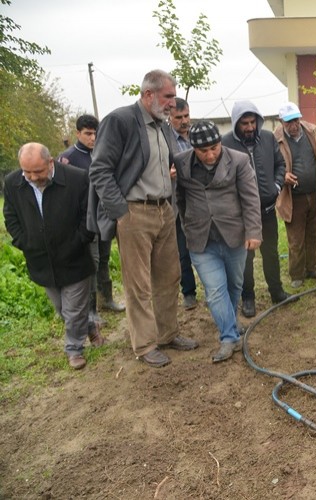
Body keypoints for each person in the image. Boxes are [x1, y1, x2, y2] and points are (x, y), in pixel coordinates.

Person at [88, 69, 198, 369]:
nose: (172, 104)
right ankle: (145, 344)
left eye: (173, 97)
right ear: (148, 94)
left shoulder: (162, 126)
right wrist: (121, 212)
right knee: (139, 284)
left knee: (169, 276)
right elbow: (99, 170)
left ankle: (167, 333)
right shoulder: (120, 121)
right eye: (168, 97)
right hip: (134, 212)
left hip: (164, 210)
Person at [4, 143, 106, 370]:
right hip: (41, 260)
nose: (31, 177)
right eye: (26, 172)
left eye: (37, 171)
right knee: (62, 308)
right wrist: (25, 242)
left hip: (75, 257)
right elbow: (10, 217)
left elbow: (89, 215)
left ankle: (74, 349)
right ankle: (90, 327)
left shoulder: (77, 179)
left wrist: (80, 240)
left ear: (50, 163)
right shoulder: (13, 183)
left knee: (72, 310)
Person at [175, 121, 262, 363]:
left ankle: (230, 324)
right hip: (201, 239)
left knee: (234, 285)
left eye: (214, 147)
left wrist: (253, 231)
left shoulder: (239, 160)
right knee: (215, 291)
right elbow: (180, 198)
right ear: (193, 148)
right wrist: (187, 224)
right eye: (204, 151)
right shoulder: (180, 163)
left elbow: (250, 198)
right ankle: (228, 337)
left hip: (234, 235)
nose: (210, 154)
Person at [222, 101, 292, 317]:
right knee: (245, 258)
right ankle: (248, 298)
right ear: (236, 123)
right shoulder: (225, 144)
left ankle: (277, 291)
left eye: (253, 122)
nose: (250, 127)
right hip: (241, 214)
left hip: (268, 209)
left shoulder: (268, 138)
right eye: (245, 123)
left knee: (270, 252)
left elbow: (280, 164)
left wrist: (277, 185)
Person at [59, 114, 126, 321]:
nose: (93, 138)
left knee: (105, 258)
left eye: (96, 133)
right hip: (83, 219)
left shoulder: (103, 153)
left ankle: (107, 299)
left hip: (103, 215)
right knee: (92, 262)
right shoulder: (68, 158)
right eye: (88, 134)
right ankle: (90, 311)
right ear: (78, 133)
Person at [273, 102, 316, 288]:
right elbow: (270, 166)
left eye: (296, 120)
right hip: (294, 197)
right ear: (281, 121)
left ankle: (313, 266)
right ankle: (297, 273)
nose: (294, 125)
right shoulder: (275, 139)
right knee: (296, 238)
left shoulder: (312, 131)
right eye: (289, 122)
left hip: (315, 193)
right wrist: (283, 177)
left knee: (314, 233)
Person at [169, 97, 198, 310]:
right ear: (170, 118)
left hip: (198, 199)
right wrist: (166, 174)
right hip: (176, 202)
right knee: (182, 249)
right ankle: (188, 291)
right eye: (178, 117)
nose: (184, 121)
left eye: (186, 116)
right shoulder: (164, 139)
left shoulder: (197, 136)